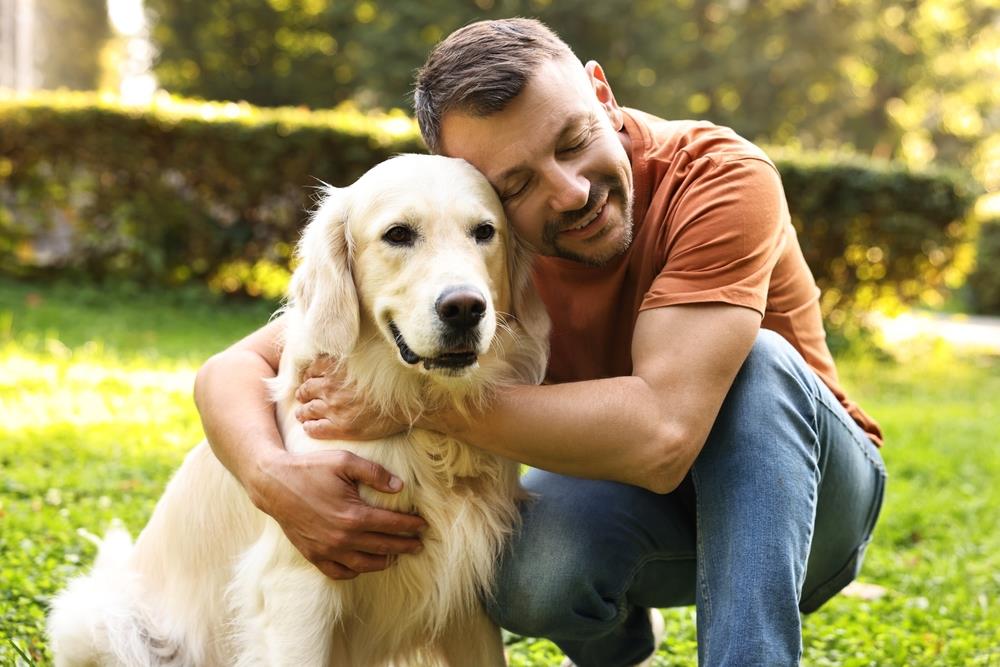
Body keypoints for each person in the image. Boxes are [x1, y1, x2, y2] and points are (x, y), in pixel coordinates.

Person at [194, 18, 887, 667]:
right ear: (469, 182)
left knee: (758, 362)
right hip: (647, 508)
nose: (570, 191)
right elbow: (234, 366)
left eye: (572, 140)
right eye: (517, 182)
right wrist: (270, 477)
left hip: (809, 508)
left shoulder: (719, 178)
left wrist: (421, 405)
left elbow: (666, 432)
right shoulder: (481, 244)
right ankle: (618, 642)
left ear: (603, 94)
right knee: (525, 569)